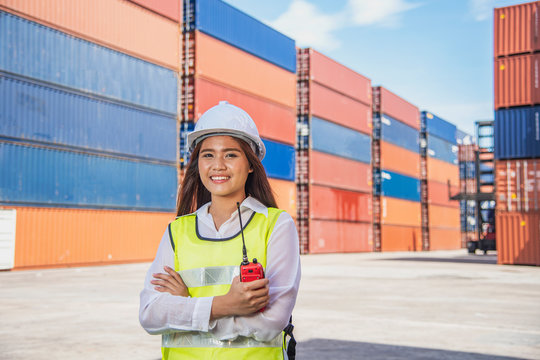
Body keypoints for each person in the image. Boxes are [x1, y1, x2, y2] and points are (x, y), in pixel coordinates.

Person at [139, 101, 301, 359]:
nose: (218, 165)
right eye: (208, 155)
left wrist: (188, 306)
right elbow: (150, 314)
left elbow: (271, 323)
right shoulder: (177, 232)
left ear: (250, 164)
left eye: (230, 154)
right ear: (198, 164)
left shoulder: (276, 226)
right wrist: (225, 305)